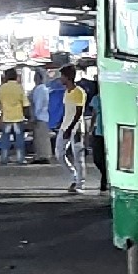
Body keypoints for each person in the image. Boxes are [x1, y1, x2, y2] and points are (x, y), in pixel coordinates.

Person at [56, 64, 88, 193]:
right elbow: (67, 111)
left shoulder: (79, 92)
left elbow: (79, 112)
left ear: (67, 77)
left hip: (76, 128)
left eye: (62, 76)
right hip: (65, 126)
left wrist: (70, 128)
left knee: (78, 157)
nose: (60, 79)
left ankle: (80, 184)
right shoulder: (67, 92)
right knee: (59, 154)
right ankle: (74, 176)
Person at [0, 68, 29, 165]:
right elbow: (25, 104)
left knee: (5, 139)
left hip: (6, 117)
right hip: (18, 117)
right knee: (19, 139)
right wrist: (28, 116)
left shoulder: (1, 88)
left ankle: (4, 158)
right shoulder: (19, 88)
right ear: (15, 76)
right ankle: (20, 158)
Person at [30, 69, 52, 163]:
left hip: (40, 117)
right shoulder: (44, 88)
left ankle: (42, 156)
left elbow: (38, 104)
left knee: (40, 138)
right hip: (43, 116)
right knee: (41, 138)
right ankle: (42, 155)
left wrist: (34, 116)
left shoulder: (40, 89)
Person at [89, 89, 107, 193]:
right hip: (99, 131)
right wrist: (91, 129)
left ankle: (104, 181)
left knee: (102, 157)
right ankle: (105, 175)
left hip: (106, 132)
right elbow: (94, 114)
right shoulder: (96, 98)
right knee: (97, 159)